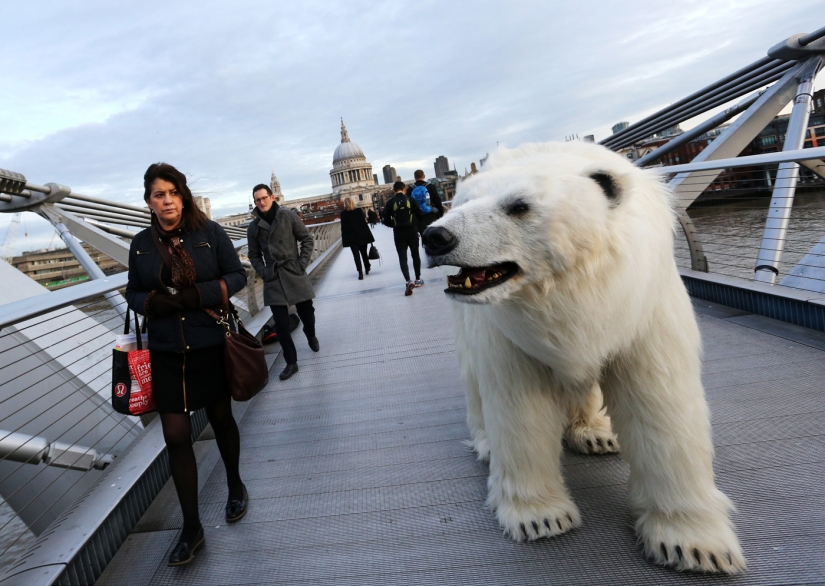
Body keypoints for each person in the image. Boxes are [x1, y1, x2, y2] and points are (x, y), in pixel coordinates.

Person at [125, 163, 248, 567]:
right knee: (176, 435)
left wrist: (198, 297)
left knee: (221, 418)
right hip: (165, 350)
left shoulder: (208, 234)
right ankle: (191, 526)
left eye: (172, 192)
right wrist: (150, 303)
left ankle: (234, 484)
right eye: (158, 194)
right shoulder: (141, 244)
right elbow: (133, 290)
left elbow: (237, 276)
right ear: (149, 202)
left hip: (209, 342)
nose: (166, 200)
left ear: (183, 196)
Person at [247, 184, 319, 381]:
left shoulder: (287, 216)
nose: (261, 202)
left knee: (307, 313)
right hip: (273, 276)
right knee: (281, 323)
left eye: (264, 198)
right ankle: (291, 362)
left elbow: (307, 240)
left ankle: (310, 333)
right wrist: (263, 271)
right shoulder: (254, 227)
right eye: (257, 200)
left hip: (293, 271)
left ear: (272, 197)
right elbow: (253, 255)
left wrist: (301, 264)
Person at [382, 181, 424, 295]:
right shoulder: (411, 200)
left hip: (399, 233)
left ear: (393, 191)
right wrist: (414, 225)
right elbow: (420, 215)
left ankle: (408, 280)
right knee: (415, 255)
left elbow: (385, 220)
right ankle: (418, 279)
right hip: (412, 231)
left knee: (402, 258)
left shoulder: (390, 203)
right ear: (404, 189)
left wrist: (395, 225)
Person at [406, 169, 444, 260]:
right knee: (433, 234)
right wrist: (441, 213)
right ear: (424, 176)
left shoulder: (410, 189)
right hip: (431, 215)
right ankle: (436, 254)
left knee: (424, 235)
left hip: (418, 217)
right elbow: (438, 201)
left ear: (415, 177)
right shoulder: (431, 186)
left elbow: (409, 205)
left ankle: (427, 254)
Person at [339, 198, 374, 280]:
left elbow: (343, 228)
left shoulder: (343, 214)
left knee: (356, 256)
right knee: (364, 253)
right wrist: (369, 236)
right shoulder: (358, 211)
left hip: (352, 238)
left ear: (345, 204)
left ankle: (360, 272)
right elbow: (363, 224)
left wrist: (345, 238)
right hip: (361, 236)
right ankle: (367, 267)